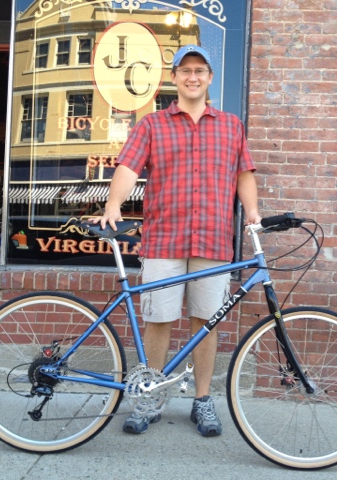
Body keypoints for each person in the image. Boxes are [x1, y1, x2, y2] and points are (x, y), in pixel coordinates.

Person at [92, 44, 261, 437]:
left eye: (200, 70)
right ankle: (151, 396)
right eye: (185, 70)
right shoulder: (152, 125)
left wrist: (252, 212)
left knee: (206, 322)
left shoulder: (231, 126)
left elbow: (244, 173)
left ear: (210, 78)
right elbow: (128, 166)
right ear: (174, 78)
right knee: (159, 321)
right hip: (164, 240)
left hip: (213, 241)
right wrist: (113, 204)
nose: (192, 77)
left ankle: (202, 400)